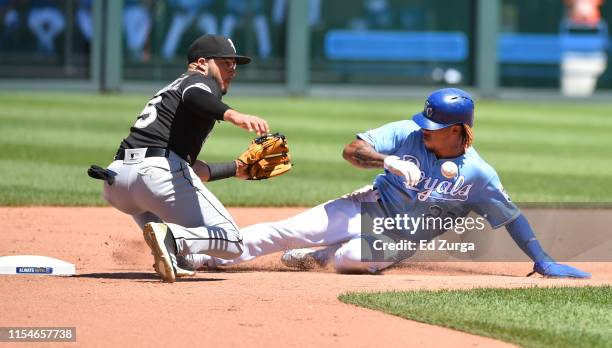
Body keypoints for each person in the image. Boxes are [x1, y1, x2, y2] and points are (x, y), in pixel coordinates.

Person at [181, 88, 591, 278]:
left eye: (434, 126)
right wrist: (386, 161)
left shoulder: (479, 175)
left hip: (397, 238)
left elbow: (512, 217)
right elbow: (350, 151)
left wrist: (541, 260)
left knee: (348, 259)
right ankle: (196, 254)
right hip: (367, 203)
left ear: (460, 130)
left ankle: (318, 256)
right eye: (425, 122)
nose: (424, 130)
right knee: (283, 231)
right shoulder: (406, 134)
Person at [101, 34, 270, 283]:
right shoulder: (199, 81)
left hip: (117, 181)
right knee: (233, 240)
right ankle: (172, 239)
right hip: (154, 175)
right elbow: (195, 96)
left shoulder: (172, 89)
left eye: (235, 64)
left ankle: (172, 253)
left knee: (184, 258)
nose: (232, 70)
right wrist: (234, 115)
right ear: (202, 62)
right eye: (226, 63)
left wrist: (235, 168)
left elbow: (185, 168)